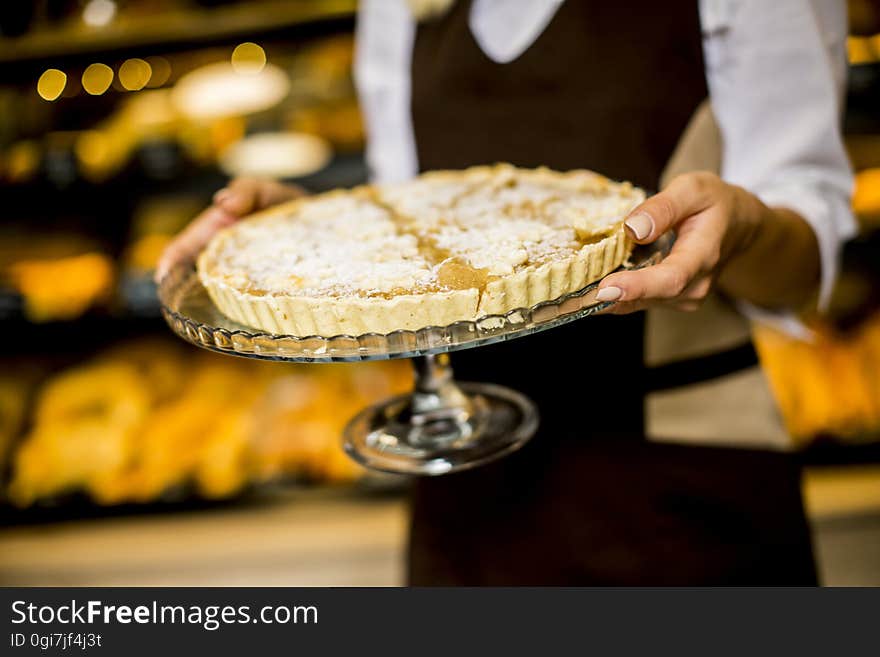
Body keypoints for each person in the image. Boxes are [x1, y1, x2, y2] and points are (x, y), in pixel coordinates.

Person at [157, 0, 856, 585]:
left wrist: (745, 228)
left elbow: (800, 276)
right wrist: (302, 229)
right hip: (460, 478)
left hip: (674, 491)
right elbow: (416, 223)